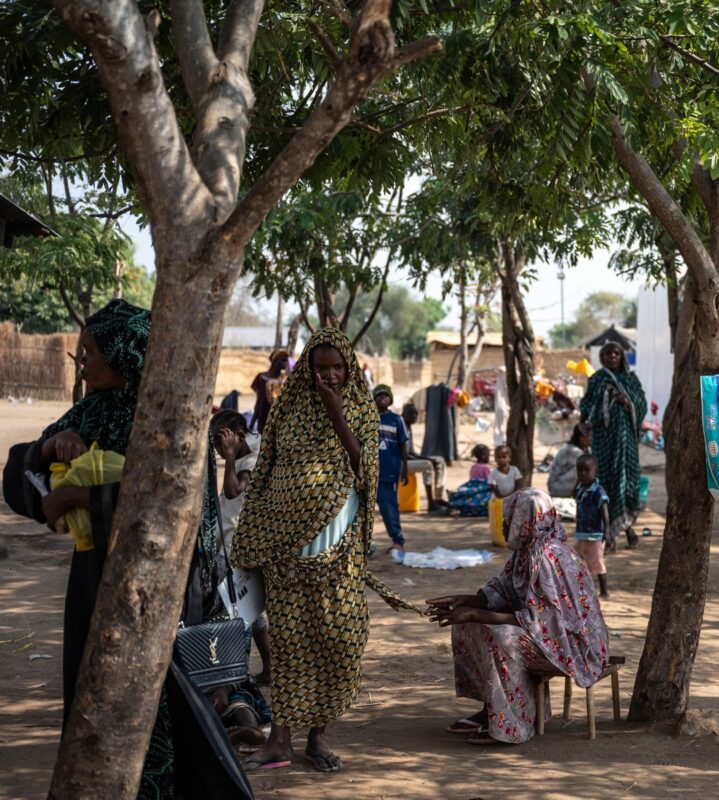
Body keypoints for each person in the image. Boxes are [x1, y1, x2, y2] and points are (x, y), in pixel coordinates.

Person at [2, 300, 253, 798]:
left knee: (162, 701)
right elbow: (17, 479)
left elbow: (173, 507)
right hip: (94, 585)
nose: (82, 363)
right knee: (93, 696)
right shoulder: (92, 412)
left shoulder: (171, 418)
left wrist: (84, 497)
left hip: (163, 588)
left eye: (89, 352)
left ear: (123, 354)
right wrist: (51, 449)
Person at [232, 328, 416, 773]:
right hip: (287, 551)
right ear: (309, 370)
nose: (329, 375)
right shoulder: (288, 410)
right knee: (292, 644)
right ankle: (281, 740)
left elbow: (365, 468)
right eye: (320, 368)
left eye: (337, 367)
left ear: (349, 368)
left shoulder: (359, 409)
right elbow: (267, 470)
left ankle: (319, 736)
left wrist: (336, 412)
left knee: (338, 641)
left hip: (339, 550)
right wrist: (257, 532)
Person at [425, 489, 609, 745]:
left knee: (501, 638)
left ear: (527, 521)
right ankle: (492, 708)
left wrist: (476, 612)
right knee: (468, 626)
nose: (503, 525)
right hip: (547, 638)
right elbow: (501, 591)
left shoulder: (548, 557)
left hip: (572, 646)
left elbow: (542, 623)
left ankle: (512, 726)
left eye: (509, 519)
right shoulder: (526, 553)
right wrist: (465, 602)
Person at [211, 409, 273, 687]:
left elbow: (234, 490)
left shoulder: (252, 456)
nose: (221, 452)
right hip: (231, 541)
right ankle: (269, 669)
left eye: (223, 445)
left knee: (236, 613)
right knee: (252, 611)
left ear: (237, 435)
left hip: (241, 545)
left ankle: (235, 678)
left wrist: (232, 455)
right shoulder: (250, 448)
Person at [579, 343, 647, 548]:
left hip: (627, 443)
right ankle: (609, 533)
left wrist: (626, 401)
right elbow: (587, 404)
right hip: (604, 441)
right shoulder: (597, 379)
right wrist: (584, 422)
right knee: (606, 482)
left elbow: (641, 403)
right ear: (602, 357)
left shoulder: (631, 379)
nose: (612, 356)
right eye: (608, 353)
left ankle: (627, 529)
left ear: (622, 356)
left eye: (616, 353)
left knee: (627, 482)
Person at [373, 384, 409, 563]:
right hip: (370, 472)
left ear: (390, 399)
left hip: (389, 472)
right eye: (378, 396)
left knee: (389, 509)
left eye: (385, 396)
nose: (381, 399)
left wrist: (405, 469)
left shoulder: (397, 420)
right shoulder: (369, 418)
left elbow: (403, 446)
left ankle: (397, 540)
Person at [573, 454, 611, 598]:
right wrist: (576, 483)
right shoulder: (581, 488)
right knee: (574, 558)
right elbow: (573, 496)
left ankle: (604, 591)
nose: (583, 474)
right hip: (582, 532)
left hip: (595, 533)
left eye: (587, 470)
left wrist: (607, 531)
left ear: (595, 472)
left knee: (597, 562)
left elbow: (604, 511)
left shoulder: (598, 490)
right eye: (579, 471)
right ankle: (579, 587)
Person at [401, 403, 450, 514]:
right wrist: (428, 460)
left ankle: (438, 497)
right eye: (410, 413)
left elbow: (411, 452)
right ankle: (431, 503)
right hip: (400, 464)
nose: (413, 416)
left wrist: (428, 458)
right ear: (403, 414)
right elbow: (405, 454)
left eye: (415, 414)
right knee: (427, 464)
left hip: (407, 460)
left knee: (440, 460)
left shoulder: (408, 428)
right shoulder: (401, 427)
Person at [250, 348, 290, 433]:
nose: (286, 363)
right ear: (275, 362)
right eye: (283, 360)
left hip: (282, 422)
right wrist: (251, 424)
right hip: (264, 420)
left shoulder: (287, 380)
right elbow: (258, 402)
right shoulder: (262, 378)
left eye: (287, 361)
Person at [448, 444, 492, 517]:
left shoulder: (473, 466)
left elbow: (472, 478)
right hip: (481, 487)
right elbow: (488, 480)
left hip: (472, 486)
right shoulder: (486, 468)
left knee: (469, 495)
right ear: (485, 456)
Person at [548, 424, 590, 498]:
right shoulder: (573, 451)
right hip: (558, 487)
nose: (590, 439)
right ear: (582, 438)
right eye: (588, 437)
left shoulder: (578, 449)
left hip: (558, 484)